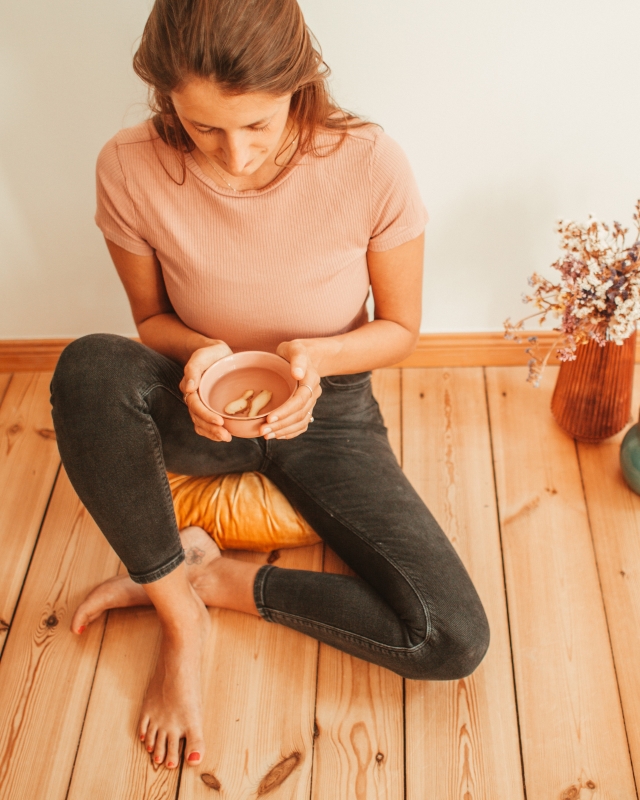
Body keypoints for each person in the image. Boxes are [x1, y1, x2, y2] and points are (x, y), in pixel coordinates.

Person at [51, 0, 489, 772]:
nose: (235, 156)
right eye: (204, 128)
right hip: (202, 399)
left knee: (450, 637)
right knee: (88, 365)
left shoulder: (368, 161)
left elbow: (401, 329)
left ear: (300, 82)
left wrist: (313, 362)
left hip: (328, 407)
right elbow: (150, 319)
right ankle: (177, 612)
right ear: (166, 100)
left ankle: (209, 577)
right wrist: (200, 358)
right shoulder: (127, 165)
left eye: (258, 125)